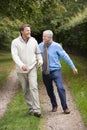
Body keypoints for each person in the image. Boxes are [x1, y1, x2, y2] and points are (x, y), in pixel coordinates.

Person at [39, 30, 78, 114]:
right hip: (45, 72)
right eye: (43, 36)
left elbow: (65, 57)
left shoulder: (56, 46)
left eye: (44, 36)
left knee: (60, 88)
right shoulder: (40, 46)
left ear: (49, 37)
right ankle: (54, 105)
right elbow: (36, 56)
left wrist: (73, 67)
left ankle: (65, 107)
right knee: (49, 90)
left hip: (56, 71)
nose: (43, 38)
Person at [11, 24, 43, 117]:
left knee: (33, 87)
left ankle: (37, 110)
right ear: (22, 31)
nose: (29, 32)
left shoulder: (33, 41)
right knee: (25, 89)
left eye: (30, 30)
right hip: (21, 70)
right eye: (27, 30)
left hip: (32, 67)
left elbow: (38, 53)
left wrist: (40, 60)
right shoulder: (15, 42)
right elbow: (15, 55)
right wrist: (21, 65)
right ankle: (31, 108)